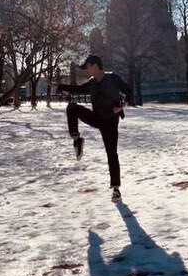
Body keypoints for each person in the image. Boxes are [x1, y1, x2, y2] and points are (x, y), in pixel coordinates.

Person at [54, 55, 132, 203]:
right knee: (72, 107)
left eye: (87, 67)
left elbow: (130, 92)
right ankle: (77, 140)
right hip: (96, 117)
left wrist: (121, 106)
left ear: (95, 66)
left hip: (110, 121)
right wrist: (59, 86)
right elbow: (77, 89)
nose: (85, 71)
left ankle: (116, 188)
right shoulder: (91, 83)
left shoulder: (113, 79)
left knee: (111, 154)